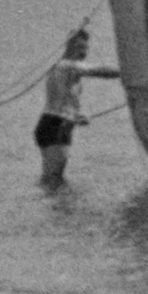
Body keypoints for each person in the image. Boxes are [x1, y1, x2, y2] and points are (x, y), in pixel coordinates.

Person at [33, 25, 91, 189]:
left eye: (85, 48)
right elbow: (100, 71)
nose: (83, 52)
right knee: (54, 179)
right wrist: (127, 72)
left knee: (55, 178)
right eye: (79, 47)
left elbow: (68, 102)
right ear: (69, 47)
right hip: (54, 125)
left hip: (62, 125)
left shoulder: (73, 72)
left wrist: (78, 116)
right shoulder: (65, 65)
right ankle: (49, 208)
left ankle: (51, 210)